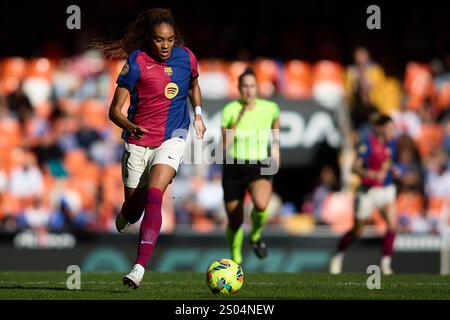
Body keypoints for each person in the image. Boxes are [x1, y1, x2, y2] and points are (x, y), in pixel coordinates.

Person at [95, 8, 206, 288]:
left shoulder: (187, 58)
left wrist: (199, 114)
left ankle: (138, 268)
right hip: (138, 141)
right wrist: (131, 127)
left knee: (156, 195)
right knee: (134, 210)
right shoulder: (136, 62)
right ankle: (125, 214)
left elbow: (193, 84)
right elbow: (114, 111)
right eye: (159, 40)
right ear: (149, 39)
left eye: (169, 40)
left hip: (172, 138)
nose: (165, 45)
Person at [221, 67, 280, 265]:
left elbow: (276, 124)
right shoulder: (230, 110)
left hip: (259, 164)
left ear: (257, 88)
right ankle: (236, 256)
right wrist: (238, 118)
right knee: (235, 220)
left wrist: (276, 148)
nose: (248, 90)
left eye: (252, 86)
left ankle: (255, 235)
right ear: (239, 88)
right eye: (244, 86)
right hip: (234, 165)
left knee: (262, 205)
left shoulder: (270, 107)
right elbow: (224, 145)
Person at [329, 115, 398, 275]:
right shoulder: (367, 144)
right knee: (357, 232)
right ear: (380, 128)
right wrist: (371, 174)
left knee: (393, 225)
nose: (391, 132)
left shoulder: (392, 144)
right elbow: (355, 168)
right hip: (368, 191)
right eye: (389, 128)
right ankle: (338, 254)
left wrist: (394, 170)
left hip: (386, 189)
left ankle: (385, 264)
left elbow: (388, 162)